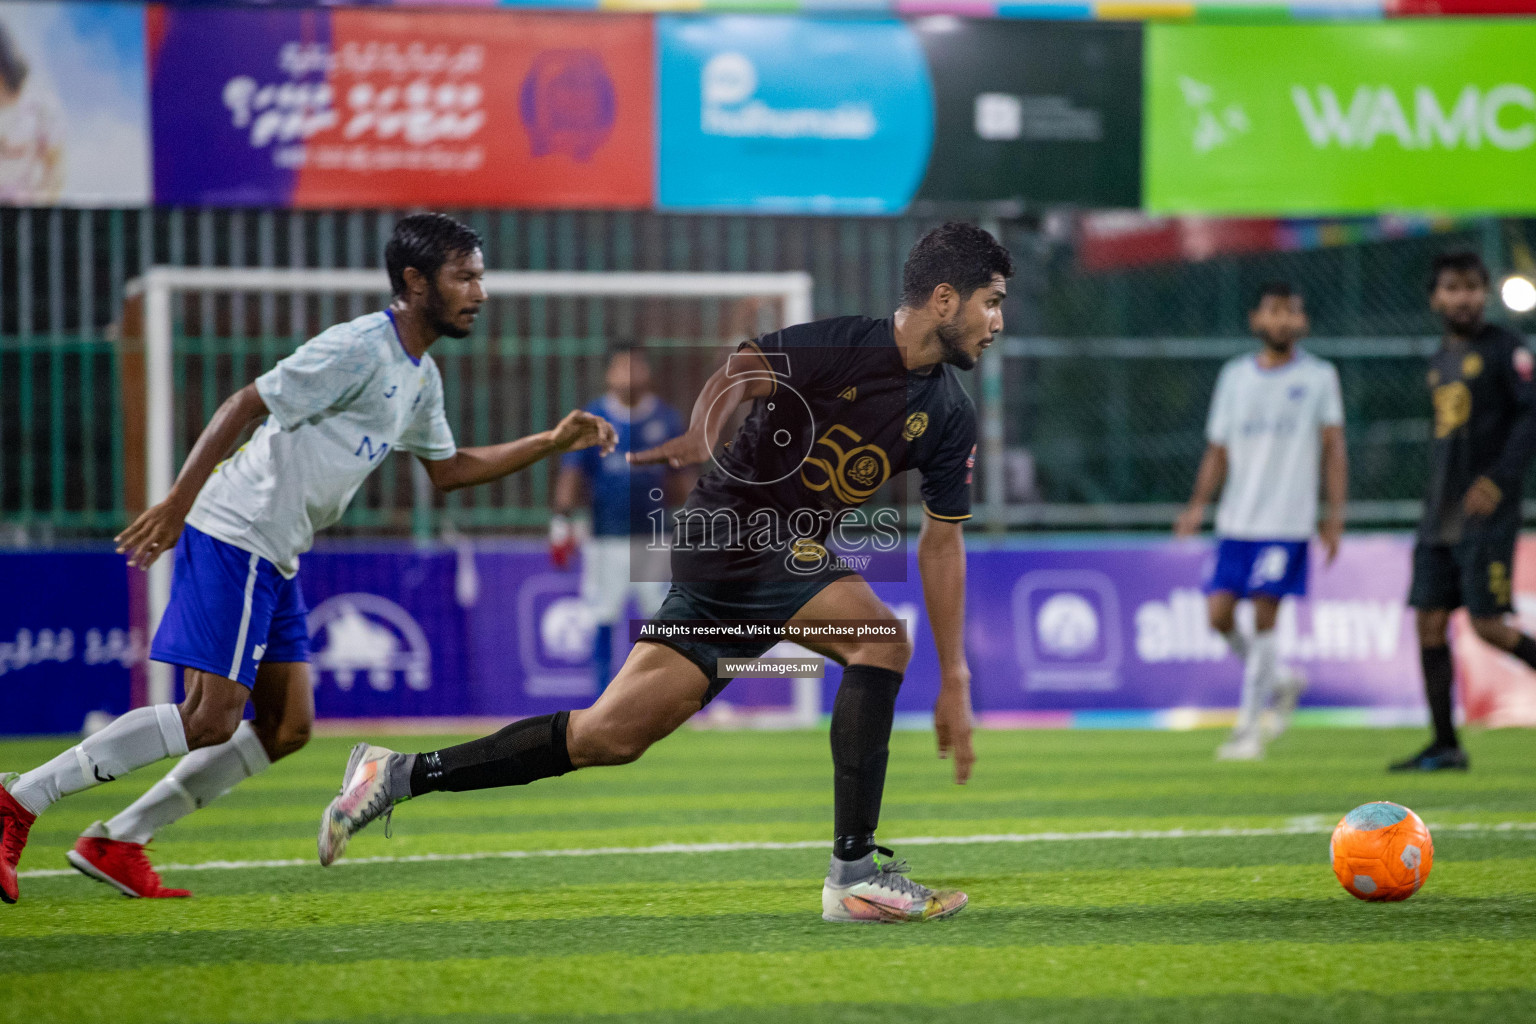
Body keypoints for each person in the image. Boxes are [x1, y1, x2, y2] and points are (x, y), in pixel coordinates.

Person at [317, 222, 1013, 925]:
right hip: (735, 535)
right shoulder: (844, 346)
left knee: (607, 737)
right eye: (992, 301)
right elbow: (743, 368)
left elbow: (941, 543)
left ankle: (400, 773)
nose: (999, 322)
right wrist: (704, 431)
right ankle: (854, 876)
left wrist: (955, 677)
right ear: (945, 299)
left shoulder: (950, 415)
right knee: (881, 641)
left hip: (742, 564)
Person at [0, 213, 616, 903]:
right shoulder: (357, 348)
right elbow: (244, 404)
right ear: (415, 282)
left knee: (287, 727)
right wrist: (176, 503)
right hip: (238, 528)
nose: (479, 290)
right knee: (209, 718)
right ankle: (21, 798)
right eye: (463, 276)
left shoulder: (420, 376)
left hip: (279, 548)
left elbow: (449, 470)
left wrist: (551, 441)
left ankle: (120, 840)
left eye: (480, 275)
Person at [1176, 281, 1347, 761]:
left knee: (1266, 616)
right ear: (1256, 319)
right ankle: (1283, 679)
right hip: (1236, 521)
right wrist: (1196, 504)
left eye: (1291, 312)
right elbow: (1218, 448)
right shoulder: (1235, 377)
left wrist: (1334, 515)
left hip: (1287, 524)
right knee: (1218, 615)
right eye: (1273, 311)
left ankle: (1249, 729)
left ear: (1303, 322)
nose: (1282, 320)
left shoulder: (1319, 377)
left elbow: (1334, 447)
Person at [1393, 250, 1536, 772]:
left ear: (1485, 293)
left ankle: (1446, 742)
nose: (1463, 297)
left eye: (1472, 287)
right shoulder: (1440, 358)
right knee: (1429, 622)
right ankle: (1445, 744)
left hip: (1485, 515)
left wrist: (1498, 482)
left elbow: (1530, 418)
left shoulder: (1506, 349)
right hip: (1439, 515)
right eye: (1452, 288)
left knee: (1488, 626)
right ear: (1436, 297)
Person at [551, 344, 687, 691]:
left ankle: (664, 693)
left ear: (647, 372)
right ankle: (600, 695)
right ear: (608, 374)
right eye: (621, 366)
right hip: (604, 538)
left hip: (655, 538)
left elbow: (683, 479)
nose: (628, 374)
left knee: (663, 618)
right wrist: (560, 523)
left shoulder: (667, 419)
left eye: (635, 366)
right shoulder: (592, 419)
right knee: (602, 615)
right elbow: (572, 474)